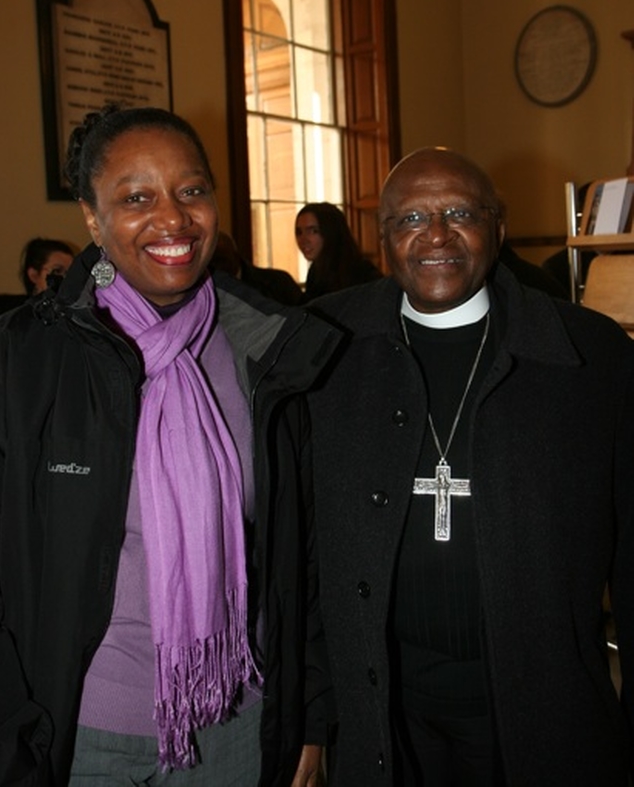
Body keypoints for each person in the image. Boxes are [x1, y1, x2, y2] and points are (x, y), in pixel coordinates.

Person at [0, 105, 342, 786]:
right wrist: (13, 735)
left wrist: (312, 712)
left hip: (238, 724)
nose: (174, 219)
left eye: (192, 190)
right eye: (136, 197)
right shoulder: (23, 360)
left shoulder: (266, 349)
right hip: (76, 736)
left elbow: (306, 551)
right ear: (92, 218)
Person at [303, 147, 634, 785]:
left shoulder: (592, 358)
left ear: (498, 226)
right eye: (410, 219)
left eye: (458, 212)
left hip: (536, 702)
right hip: (382, 701)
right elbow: (302, 554)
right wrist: (314, 716)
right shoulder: (324, 349)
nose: (435, 235)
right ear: (382, 238)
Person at [295, 202, 381, 301]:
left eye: (313, 231)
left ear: (331, 232)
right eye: (299, 232)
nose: (303, 239)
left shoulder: (361, 272)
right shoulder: (315, 272)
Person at [211, 231, 302, 305]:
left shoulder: (279, 283)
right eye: (211, 262)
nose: (218, 267)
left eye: (221, 260)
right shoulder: (205, 293)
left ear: (235, 256)